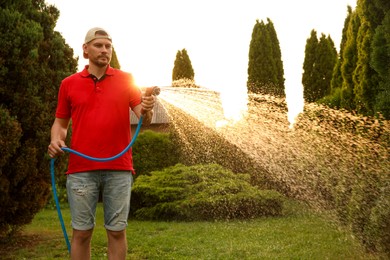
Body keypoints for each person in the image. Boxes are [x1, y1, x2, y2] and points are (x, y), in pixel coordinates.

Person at [48, 27, 155, 260]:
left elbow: (142, 117)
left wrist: (146, 108)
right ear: (86, 50)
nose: (104, 50)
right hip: (80, 169)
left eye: (108, 46)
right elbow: (60, 123)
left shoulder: (127, 80)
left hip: (119, 168)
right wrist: (56, 140)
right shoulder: (69, 83)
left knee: (117, 232)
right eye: (99, 45)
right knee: (82, 233)